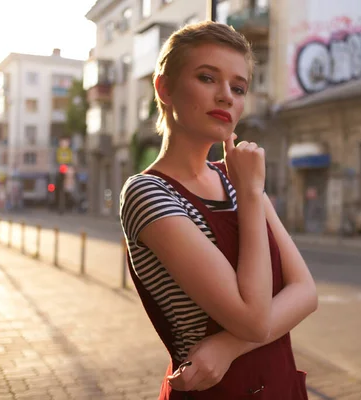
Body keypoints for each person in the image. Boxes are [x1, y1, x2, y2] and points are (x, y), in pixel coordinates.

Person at [120, 21, 317, 400]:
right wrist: (250, 194)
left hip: (277, 386)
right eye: (207, 78)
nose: (226, 96)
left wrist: (227, 348)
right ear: (164, 88)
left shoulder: (238, 180)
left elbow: (305, 292)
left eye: (238, 87)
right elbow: (255, 319)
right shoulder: (148, 192)